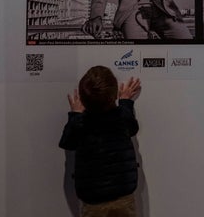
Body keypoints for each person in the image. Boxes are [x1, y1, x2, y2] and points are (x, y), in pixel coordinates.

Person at [59, 66, 142, 216]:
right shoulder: (121, 117)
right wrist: (125, 102)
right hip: (122, 195)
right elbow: (133, 128)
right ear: (114, 95)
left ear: (83, 100)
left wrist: (75, 115)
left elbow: (67, 143)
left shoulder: (81, 123)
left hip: (93, 199)